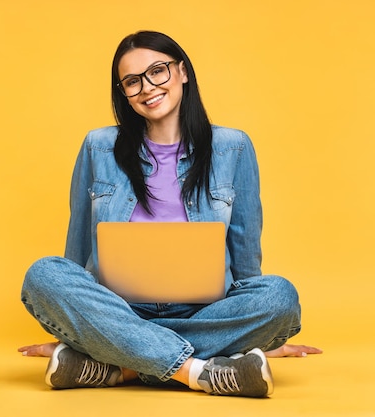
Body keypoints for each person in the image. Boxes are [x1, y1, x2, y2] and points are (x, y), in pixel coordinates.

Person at [18, 30, 322, 398]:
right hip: (120, 310)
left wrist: (254, 324)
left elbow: (245, 251)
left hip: (203, 313)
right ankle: (198, 371)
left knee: (279, 296)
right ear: (124, 93)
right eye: (132, 81)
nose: (147, 87)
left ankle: (120, 365)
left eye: (157, 71)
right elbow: (77, 245)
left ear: (182, 72)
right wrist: (76, 319)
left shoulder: (233, 147)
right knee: (44, 274)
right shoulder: (98, 146)